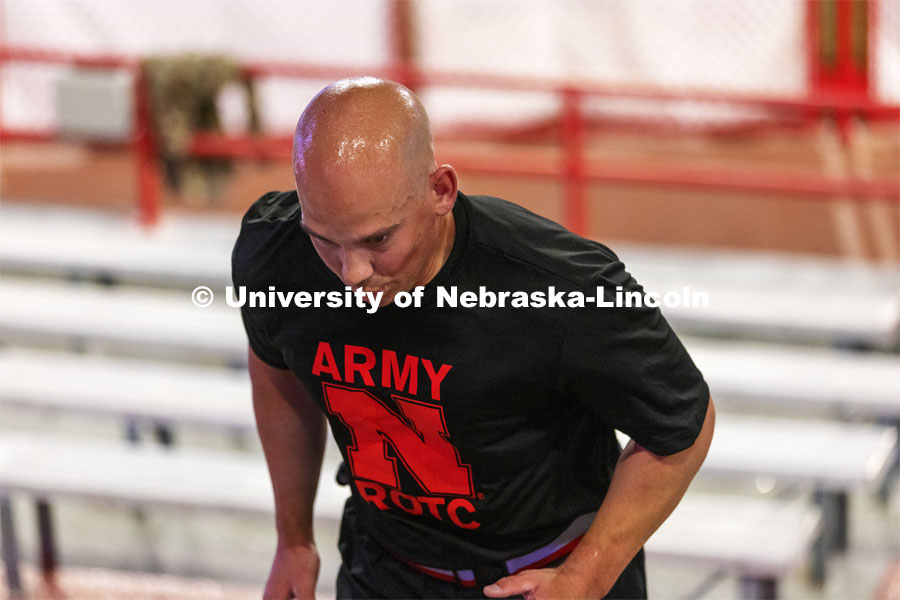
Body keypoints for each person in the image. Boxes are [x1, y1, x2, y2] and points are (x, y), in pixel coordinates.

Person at [232, 76, 715, 599]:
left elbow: (682, 424)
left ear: (440, 190)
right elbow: (275, 364)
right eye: (324, 239)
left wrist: (588, 575)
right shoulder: (275, 257)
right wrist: (294, 539)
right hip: (384, 570)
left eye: (378, 239)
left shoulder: (560, 288)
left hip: (544, 575)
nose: (351, 273)